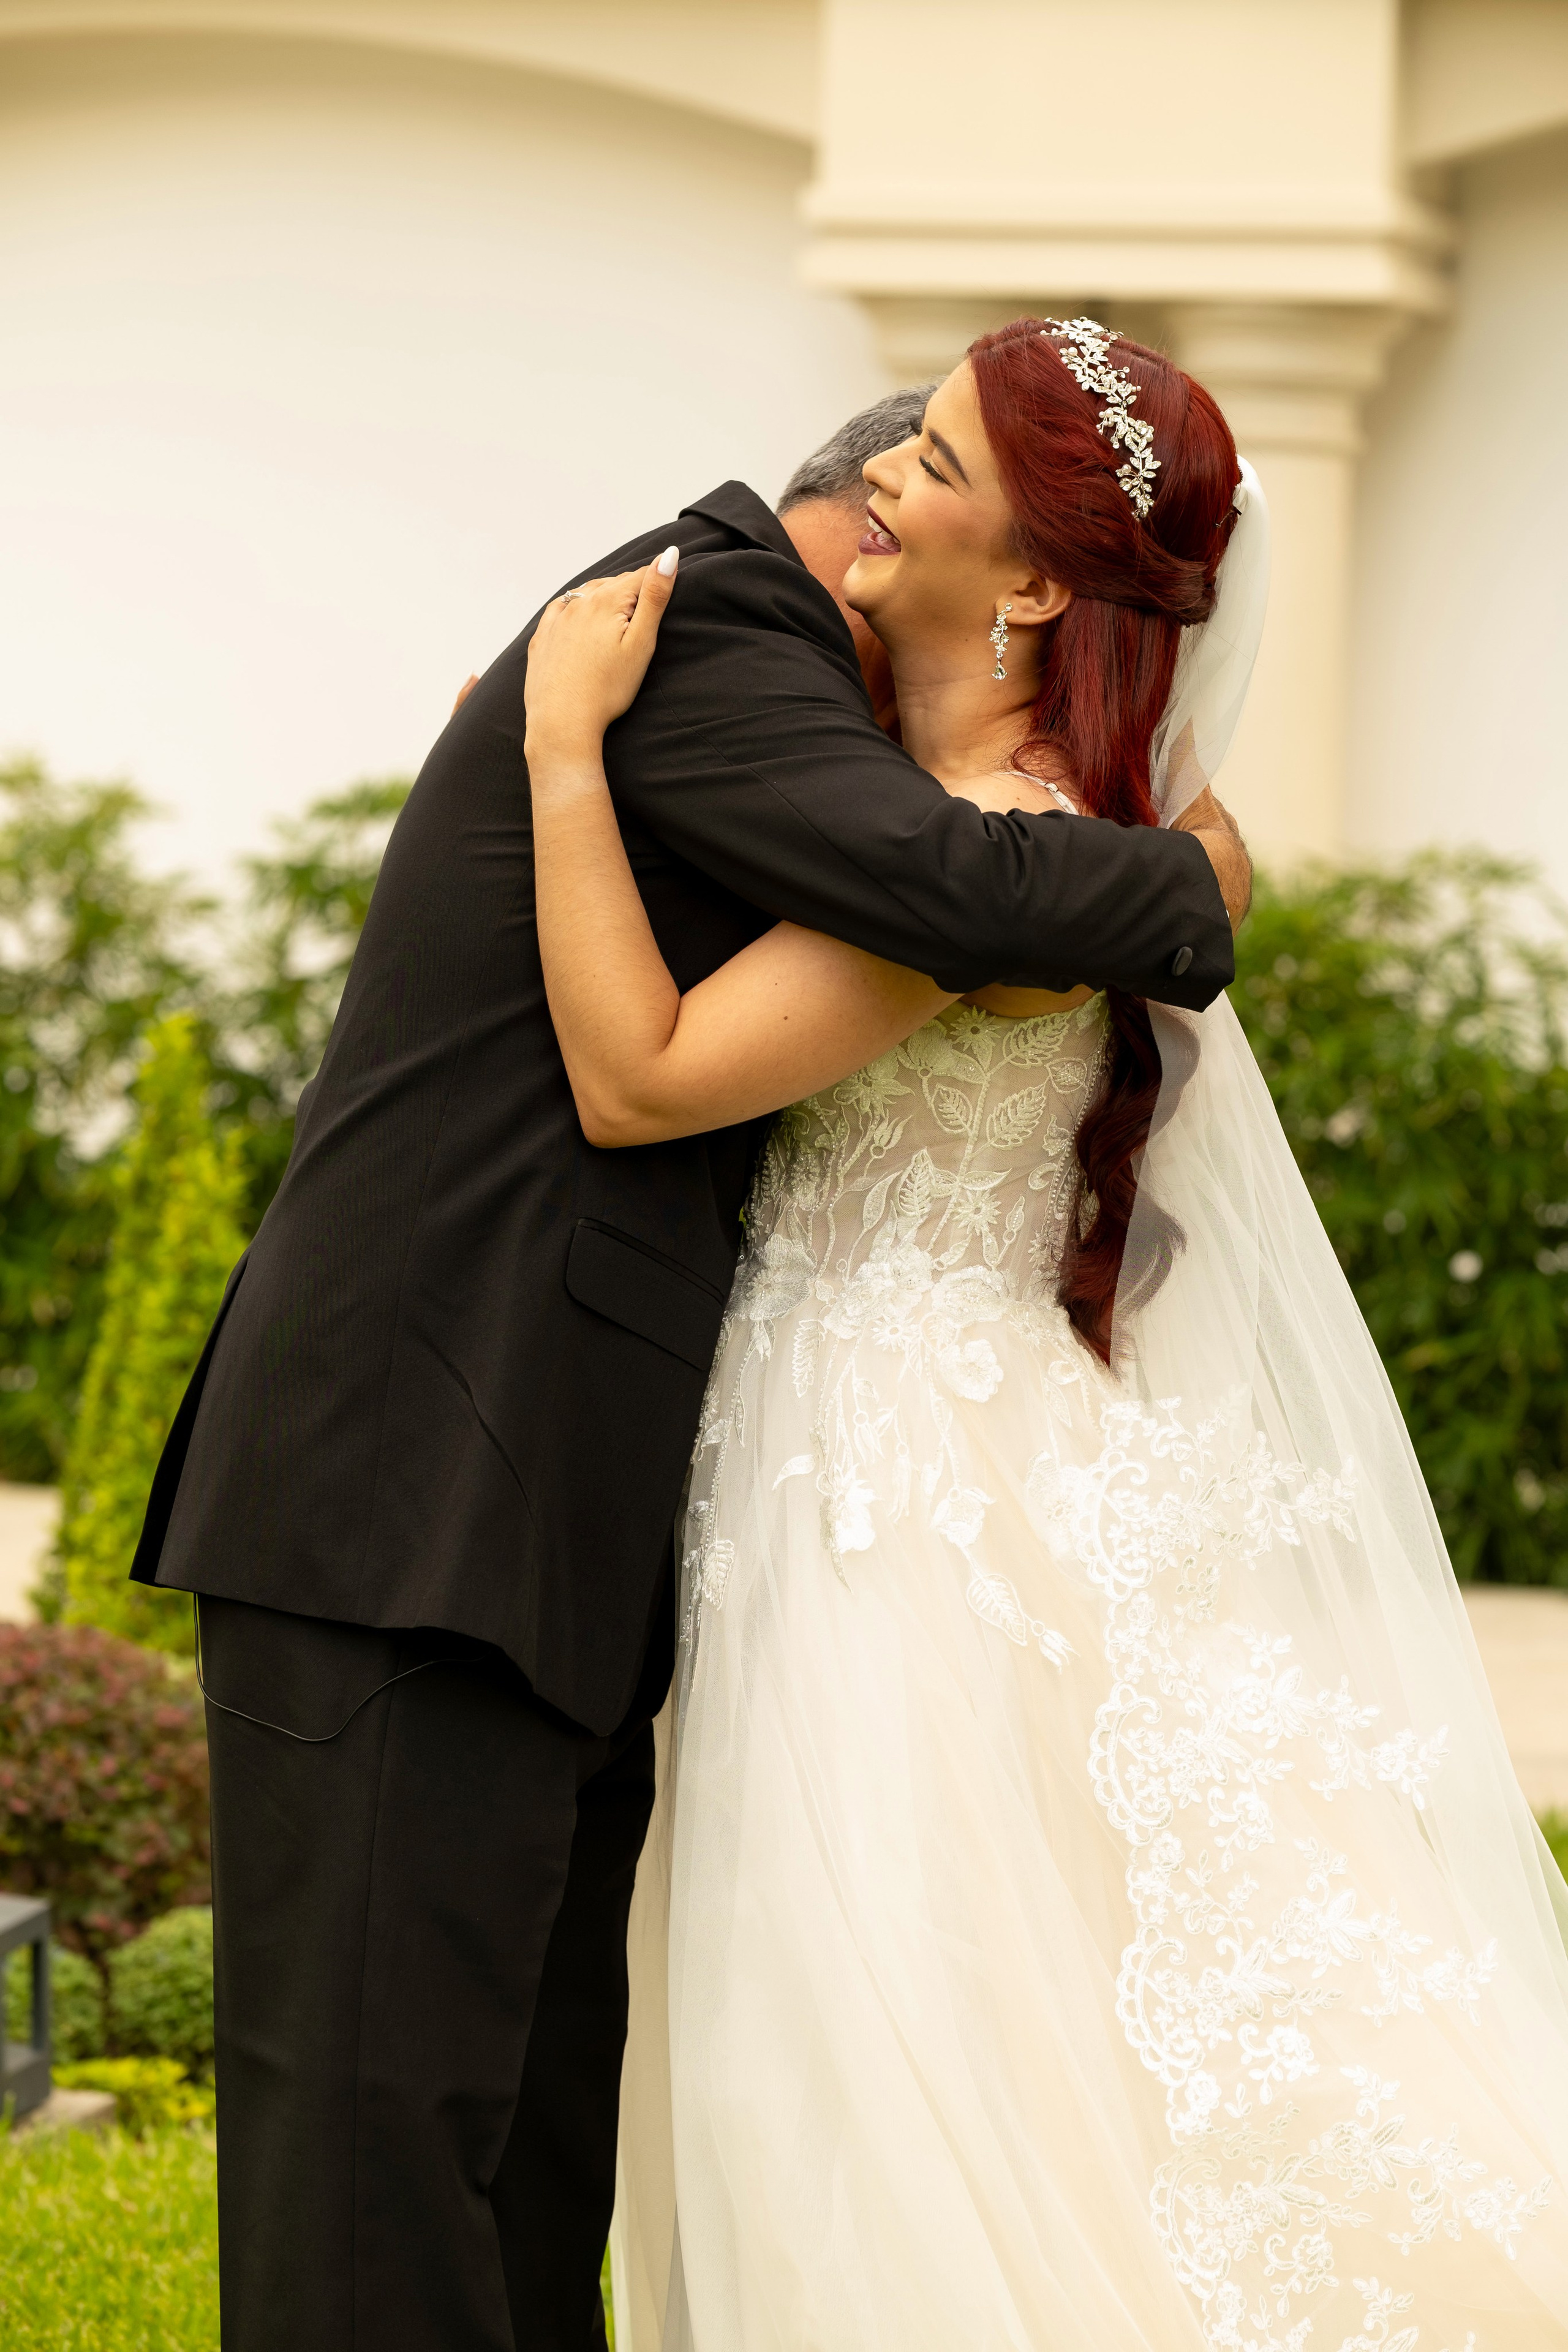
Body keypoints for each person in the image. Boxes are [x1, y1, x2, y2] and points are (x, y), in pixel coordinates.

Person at [128, 377, 1250, 2351]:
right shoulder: (714, 637)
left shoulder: (767, 677)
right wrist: (1198, 885)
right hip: (418, 1483)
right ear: (854, 532)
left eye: (943, 481)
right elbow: (949, 899)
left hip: (565, 1510)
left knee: (526, 2142)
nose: (901, 512)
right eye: (899, 483)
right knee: (378, 2154)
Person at [522, 318, 1568, 2352]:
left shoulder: (1005, 863)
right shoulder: (980, 803)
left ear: (1024, 586)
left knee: (890, 2003)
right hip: (894, 1427)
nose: (874, 483)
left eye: (928, 465)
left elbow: (643, 1078)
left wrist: (565, 751)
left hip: (900, 1485)